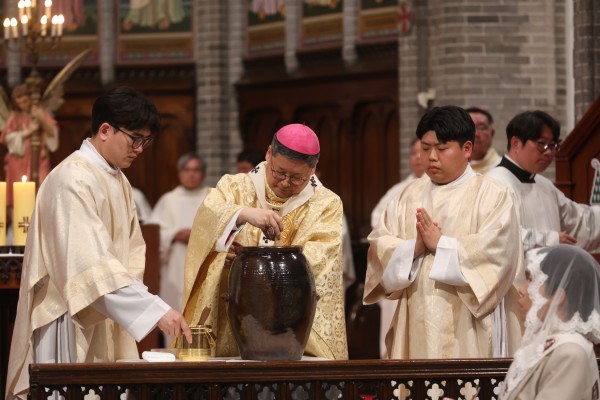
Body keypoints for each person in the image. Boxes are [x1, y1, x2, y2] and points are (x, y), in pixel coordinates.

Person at [5, 87, 192, 400]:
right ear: (105, 130)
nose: (140, 149)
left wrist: (138, 301)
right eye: (135, 139)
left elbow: (130, 256)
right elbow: (88, 264)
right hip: (68, 316)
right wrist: (154, 310)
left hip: (106, 309)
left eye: (146, 141)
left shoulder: (117, 179)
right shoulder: (72, 179)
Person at [363, 105, 524, 359]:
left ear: (467, 149)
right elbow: (378, 249)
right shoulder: (407, 196)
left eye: (441, 148)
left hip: (468, 328)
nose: (431, 157)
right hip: (416, 321)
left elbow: (499, 256)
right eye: (425, 148)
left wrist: (441, 245)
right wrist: (412, 249)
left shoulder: (493, 195)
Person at [181, 123, 348, 360]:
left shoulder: (326, 204)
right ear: (269, 153)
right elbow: (206, 221)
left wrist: (248, 264)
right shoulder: (234, 187)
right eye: (279, 172)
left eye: (297, 177)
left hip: (291, 328)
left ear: (313, 169)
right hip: (231, 312)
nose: (285, 182)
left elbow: (319, 260)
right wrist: (242, 214)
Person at [487, 111, 600, 253]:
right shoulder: (493, 184)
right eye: (541, 144)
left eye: (552, 145)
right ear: (516, 143)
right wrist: (550, 239)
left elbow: (581, 224)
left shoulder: (545, 186)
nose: (549, 152)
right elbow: (495, 238)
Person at [499, 245, 600, 399]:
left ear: (558, 297)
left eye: (531, 281)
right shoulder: (544, 344)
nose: (522, 290)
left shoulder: (570, 354)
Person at [370, 137, 424, 358]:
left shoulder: (443, 190)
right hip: (401, 262)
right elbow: (377, 223)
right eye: (414, 153)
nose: (419, 157)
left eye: (424, 151)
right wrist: (405, 246)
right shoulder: (398, 191)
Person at [149, 153, 208, 315]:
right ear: (179, 173)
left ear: (203, 174)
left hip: (202, 263)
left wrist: (198, 236)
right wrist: (174, 235)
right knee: (175, 309)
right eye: (187, 170)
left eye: (196, 170)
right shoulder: (168, 200)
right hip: (174, 265)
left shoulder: (212, 198)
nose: (191, 174)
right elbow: (153, 234)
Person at [1, 84, 59, 206]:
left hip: (39, 159)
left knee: (42, 189)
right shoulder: (14, 117)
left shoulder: (40, 113)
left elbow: (52, 133)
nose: (22, 101)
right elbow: (6, 138)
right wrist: (28, 131)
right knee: (19, 194)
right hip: (19, 161)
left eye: (25, 98)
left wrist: (41, 118)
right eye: (19, 99)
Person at [466, 106, 501, 174]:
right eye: (470, 128)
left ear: (492, 133)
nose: (476, 133)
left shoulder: (502, 168)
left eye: (481, 128)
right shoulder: (450, 167)